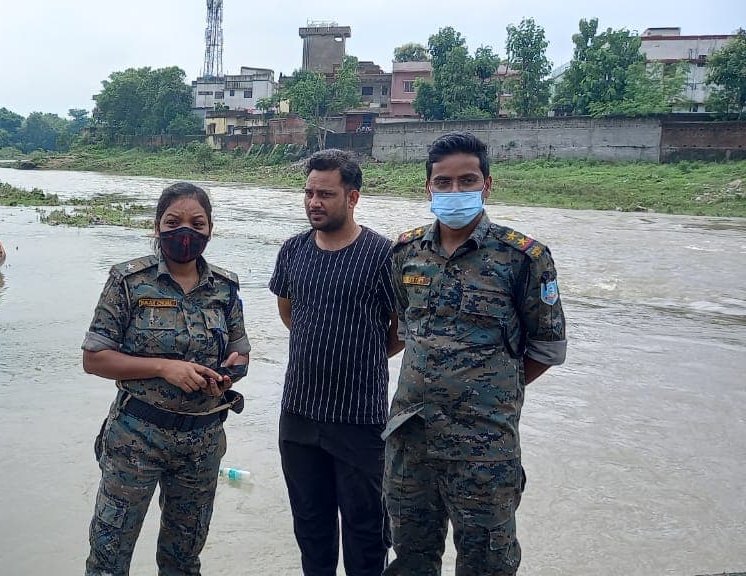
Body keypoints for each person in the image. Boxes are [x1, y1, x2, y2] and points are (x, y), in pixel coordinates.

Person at [384, 132, 567, 576]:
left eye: (467, 181)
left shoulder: (523, 257)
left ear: (487, 185)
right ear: (427, 187)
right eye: (443, 182)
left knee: (487, 562)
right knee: (410, 558)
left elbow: (547, 347)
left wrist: (491, 390)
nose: (454, 191)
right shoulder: (406, 253)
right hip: (413, 439)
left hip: (484, 446)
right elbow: (405, 328)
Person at [82, 181, 251, 575]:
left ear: (210, 229)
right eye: (173, 222)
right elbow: (94, 358)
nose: (185, 232)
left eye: (197, 223)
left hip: (203, 442)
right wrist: (163, 367)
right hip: (136, 437)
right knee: (109, 556)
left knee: (183, 559)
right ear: (157, 227)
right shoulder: (128, 281)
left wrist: (227, 375)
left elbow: (241, 354)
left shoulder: (225, 289)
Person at [269, 150, 401, 576]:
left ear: (353, 197)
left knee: (366, 533)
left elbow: (401, 330)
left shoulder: (384, 256)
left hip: (359, 419)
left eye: (325, 193)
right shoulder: (292, 251)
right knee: (311, 528)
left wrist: (359, 353)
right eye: (308, 192)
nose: (314, 202)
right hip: (299, 415)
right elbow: (290, 313)